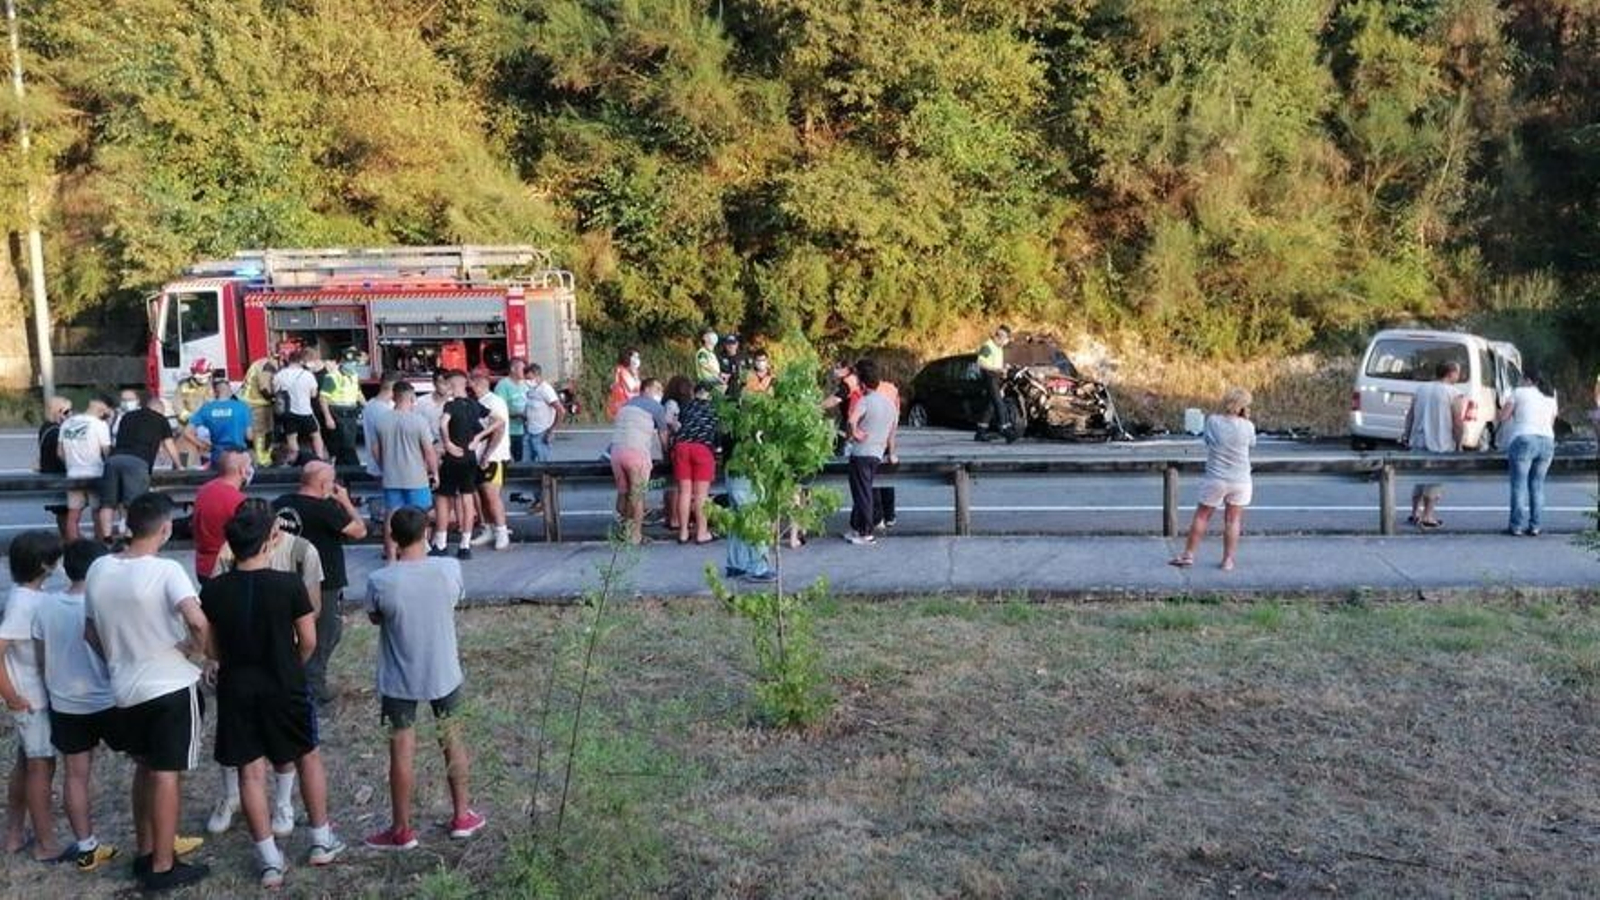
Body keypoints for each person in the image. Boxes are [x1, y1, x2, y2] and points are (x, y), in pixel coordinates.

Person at [201, 504, 346, 887]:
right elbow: (309, 640)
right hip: (284, 682)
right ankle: (320, 839)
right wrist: (291, 662)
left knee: (250, 770)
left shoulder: (214, 590)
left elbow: (212, 647)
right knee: (306, 756)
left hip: (237, 686)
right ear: (269, 541)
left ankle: (268, 859)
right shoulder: (287, 585)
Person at [84, 492, 211, 891]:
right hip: (170, 685)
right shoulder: (167, 570)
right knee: (167, 774)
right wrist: (199, 651)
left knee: (144, 767)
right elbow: (197, 619)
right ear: (165, 527)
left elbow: (89, 632)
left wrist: (118, 659)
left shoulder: (99, 568)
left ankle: (145, 850)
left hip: (125, 687)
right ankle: (163, 864)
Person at [363, 506, 485, 851]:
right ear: (427, 533)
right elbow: (455, 600)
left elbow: (375, 617)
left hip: (399, 675)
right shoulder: (448, 568)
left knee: (401, 750)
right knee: (452, 739)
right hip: (443, 669)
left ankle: (401, 829)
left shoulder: (380, 580)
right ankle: (462, 815)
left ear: (393, 538)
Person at [32, 539, 120, 871]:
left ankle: (86, 846)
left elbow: (42, 658)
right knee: (148, 764)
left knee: (75, 775)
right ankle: (155, 838)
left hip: (66, 703)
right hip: (109, 699)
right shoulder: (104, 605)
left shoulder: (46, 606)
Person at [274, 462, 367, 702]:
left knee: (290, 631)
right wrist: (346, 502)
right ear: (324, 484)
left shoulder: (280, 503)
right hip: (324, 581)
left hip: (284, 577)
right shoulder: (326, 509)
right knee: (326, 632)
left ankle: (288, 678)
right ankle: (313, 686)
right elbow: (359, 531)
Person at [0, 530, 66, 863]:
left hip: (31, 696)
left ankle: (14, 833)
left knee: (26, 764)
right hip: (32, 699)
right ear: (45, 565)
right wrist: (11, 695)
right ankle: (45, 843)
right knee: (42, 767)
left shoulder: (21, 597)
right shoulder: (25, 605)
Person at [1169, 388, 1258, 571]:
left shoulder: (1213, 421)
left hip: (1216, 477)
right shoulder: (1248, 426)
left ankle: (1189, 554)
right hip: (1241, 479)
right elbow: (1252, 443)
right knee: (1233, 520)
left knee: (1202, 516)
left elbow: (1208, 441)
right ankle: (1228, 560)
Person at [100, 391, 181, 544]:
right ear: (160, 410)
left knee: (108, 502)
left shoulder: (127, 417)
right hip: (137, 462)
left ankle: (107, 538)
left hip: (114, 460)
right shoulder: (160, 419)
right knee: (135, 504)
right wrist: (178, 465)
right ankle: (130, 539)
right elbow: (169, 445)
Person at [373, 382, 440, 560]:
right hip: (416, 477)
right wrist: (435, 472)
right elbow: (429, 451)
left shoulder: (381, 420)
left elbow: (375, 450)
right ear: (411, 398)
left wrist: (383, 468)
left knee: (391, 517)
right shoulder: (418, 421)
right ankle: (418, 555)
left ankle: (392, 557)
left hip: (391, 477)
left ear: (394, 397)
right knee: (420, 517)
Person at [1401, 361, 1466, 529]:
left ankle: (1415, 513)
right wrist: (1459, 443)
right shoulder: (1454, 393)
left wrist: (1406, 435)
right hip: (1440, 441)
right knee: (1434, 480)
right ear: (1451, 373)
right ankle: (1428, 516)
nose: (1458, 376)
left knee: (1419, 478)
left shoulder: (1421, 389)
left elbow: (1410, 415)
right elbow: (1457, 421)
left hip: (1418, 439)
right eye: (1457, 373)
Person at [609, 379, 671, 544]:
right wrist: (667, 456)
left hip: (616, 453)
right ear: (648, 389)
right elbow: (663, 435)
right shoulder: (656, 407)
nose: (660, 393)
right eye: (658, 388)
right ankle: (636, 535)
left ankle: (625, 529)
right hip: (636, 454)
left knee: (623, 493)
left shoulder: (626, 405)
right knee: (638, 496)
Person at [1498, 369, 1559, 537]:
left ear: (1528, 380)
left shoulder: (1518, 392)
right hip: (1547, 441)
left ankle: (1516, 526)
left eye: (1521, 379)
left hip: (1524, 439)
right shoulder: (1551, 395)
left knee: (1519, 485)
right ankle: (1535, 526)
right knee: (1537, 485)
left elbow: (1503, 417)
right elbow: (1551, 421)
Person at [845, 360, 897, 546]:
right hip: (877, 453)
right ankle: (857, 527)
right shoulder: (890, 404)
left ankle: (866, 532)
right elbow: (892, 432)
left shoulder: (864, 401)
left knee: (862, 493)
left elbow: (852, 420)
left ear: (863, 384)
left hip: (861, 453)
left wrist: (855, 433)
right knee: (864, 491)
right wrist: (892, 453)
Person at [435, 370, 484, 560]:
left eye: (447, 384)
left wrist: (447, 443)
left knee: (443, 498)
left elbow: (442, 424)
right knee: (467, 498)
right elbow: (498, 421)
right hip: (469, 457)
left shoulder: (450, 405)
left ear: (453, 385)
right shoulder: (474, 405)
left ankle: (441, 542)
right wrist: (478, 438)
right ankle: (465, 544)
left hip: (453, 457)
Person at [192, 451, 252, 585]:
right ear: (242, 471)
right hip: (226, 569)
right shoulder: (239, 501)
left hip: (202, 566)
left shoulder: (203, 490)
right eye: (249, 466)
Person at [58, 397, 113, 543]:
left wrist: (71, 464)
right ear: (103, 409)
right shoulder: (100, 425)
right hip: (95, 474)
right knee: (98, 513)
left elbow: (60, 452)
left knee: (73, 515)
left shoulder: (67, 423)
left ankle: (74, 548)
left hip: (73, 475)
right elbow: (107, 453)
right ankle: (100, 547)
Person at [469, 372, 513, 551]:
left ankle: (502, 531)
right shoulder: (479, 403)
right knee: (481, 496)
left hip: (494, 457)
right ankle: (488, 529)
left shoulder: (494, 402)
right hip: (479, 456)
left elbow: (499, 430)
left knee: (491, 495)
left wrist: (487, 455)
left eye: (471, 383)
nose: (469, 387)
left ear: (478, 383)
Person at [674, 381, 721, 545]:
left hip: (681, 446)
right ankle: (702, 533)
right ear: (710, 394)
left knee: (684, 492)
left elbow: (678, 425)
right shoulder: (715, 409)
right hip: (702, 448)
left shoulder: (686, 406)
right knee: (701, 495)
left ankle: (683, 533)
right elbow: (718, 434)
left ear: (695, 393)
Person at [520, 362, 564, 513]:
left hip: (541, 433)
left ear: (537, 376)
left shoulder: (546, 390)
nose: (527, 381)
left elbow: (560, 410)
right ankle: (538, 499)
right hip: (530, 431)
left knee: (544, 468)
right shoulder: (531, 390)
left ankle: (545, 502)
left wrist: (551, 430)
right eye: (526, 378)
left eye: (530, 378)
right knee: (529, 466)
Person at [273, 350, 326, 462]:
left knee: (291, 437)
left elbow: (275, 391)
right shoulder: (308, 375)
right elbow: (313, 394)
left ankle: (295, 460)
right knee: (315, 435)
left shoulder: (280, 375)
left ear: (288, 360)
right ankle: (319, 459)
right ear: (301, 361)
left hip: (288, 412)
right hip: (305, 411)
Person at [185, 374, 253, 461]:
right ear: (230, 391)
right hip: (238, 455)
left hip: (218, 454)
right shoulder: (242, 407)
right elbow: (249, 436)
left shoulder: (207, 408)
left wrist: (204, 445)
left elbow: (187, 432)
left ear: (215, 392)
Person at [319, 350, 365, 467]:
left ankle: (341, 473)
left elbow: (358, 394)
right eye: (350, 362)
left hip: (351, 414)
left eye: (354, 362)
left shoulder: (354, 375)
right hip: (338, 414)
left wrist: (368, 407)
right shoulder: (332, 377)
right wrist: (328, 417)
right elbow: (323, 398)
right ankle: (355, 470)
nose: (353, 365)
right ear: (342, 361)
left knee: (346, 446)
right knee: (347, 446)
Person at [661, 375, 694, 531]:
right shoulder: (673, 404)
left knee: (674, 483)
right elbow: (668, 421)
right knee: (675, 484)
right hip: (675, 444)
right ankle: (673, 517)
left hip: (673, 444)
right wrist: (679, 426)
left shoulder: (670, 402)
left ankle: (671, 516)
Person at [38, 396, 73, 540]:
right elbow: (62, 456)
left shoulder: (46, 427)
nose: (71, 414)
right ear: (59, 412)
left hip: (50, 475)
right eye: (68, 411)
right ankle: (70, 539)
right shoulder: (58, 432)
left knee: (62, 513)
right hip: (59, 476)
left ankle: (66, 537)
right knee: (67, 512)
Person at [975, 325, 1016, 443]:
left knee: (990, 406)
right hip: (989, 377)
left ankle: (980, 432)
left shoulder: (999, 348)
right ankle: (1005, 429)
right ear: (1000, 337)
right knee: (999, 403)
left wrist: (1003, 369)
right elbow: (980, 363)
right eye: (1006, 339)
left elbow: (997, 364)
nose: (1006, 343)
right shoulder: (988, 346)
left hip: (996, 377)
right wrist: (997, 370)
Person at [239, 355, 279, 466]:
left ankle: (260, 457)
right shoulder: (268, 366)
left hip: (248, 401)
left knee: (255, 432)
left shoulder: (260, 363)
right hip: (257, 403)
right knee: (263, 432)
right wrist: (273, 399)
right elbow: (264, 388)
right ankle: (263, 460)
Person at [495, 359, 532, 462]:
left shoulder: (525, 384)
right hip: (509, 431)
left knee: (522, 459)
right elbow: (499, 408)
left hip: (523, 429)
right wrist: (516, 415)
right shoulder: (502, 385)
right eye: (522, 369)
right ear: (513, 369)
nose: (525, 371)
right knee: (510, 460)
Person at [606, 348, 642, 420]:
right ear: (627, 358)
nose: (637, 360)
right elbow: (632, 387)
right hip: (623, 406)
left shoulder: (633, 371)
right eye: (634, 357)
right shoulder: (622, 370)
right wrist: (635, 376)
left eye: (638, 357)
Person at [719, 333, 745, 401]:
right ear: (725, 344)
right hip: (724, 391)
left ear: (737, 344)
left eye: (733, 343)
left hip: (740, 391)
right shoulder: (720, 358)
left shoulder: (743, 357)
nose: (731, 346)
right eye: (728, 344)